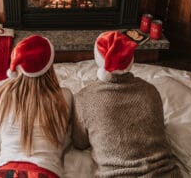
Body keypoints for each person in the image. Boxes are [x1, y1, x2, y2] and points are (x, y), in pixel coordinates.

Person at [72, 31, 182, 178]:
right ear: (131, 60)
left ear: (98, 60)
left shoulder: (84, 98)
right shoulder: (151, 91)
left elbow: (79, 142)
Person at [0, 34, 73, 178]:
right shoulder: (64, 96)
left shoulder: (4, 93)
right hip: (44, 171)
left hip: (4, 170)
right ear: (50, 66)